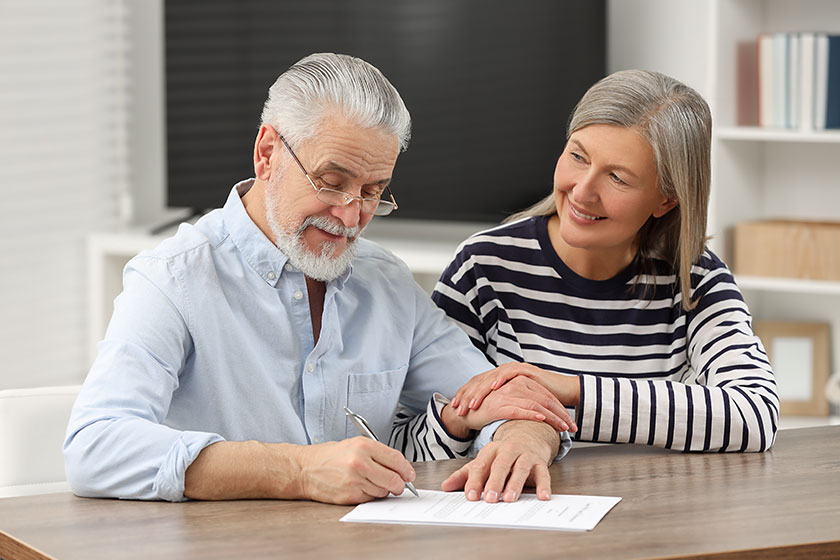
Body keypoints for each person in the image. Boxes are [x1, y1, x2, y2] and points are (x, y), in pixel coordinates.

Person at [64, 53, 574, 505]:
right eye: (332, 184)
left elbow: (491, 395)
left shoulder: (388, 284)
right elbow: (95, 445)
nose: (351, 217)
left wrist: (523, 435)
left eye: (374, 192)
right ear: (267, 154)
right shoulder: (173, 280)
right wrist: (297, 471)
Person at [433, 70, 778, 453]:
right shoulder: (483, 266)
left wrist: (570, 389)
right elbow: (421, 430)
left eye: (617, 177)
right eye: (578, 156)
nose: (582, 192)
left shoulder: (695, 279)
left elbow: (755, 416)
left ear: (666, 199)